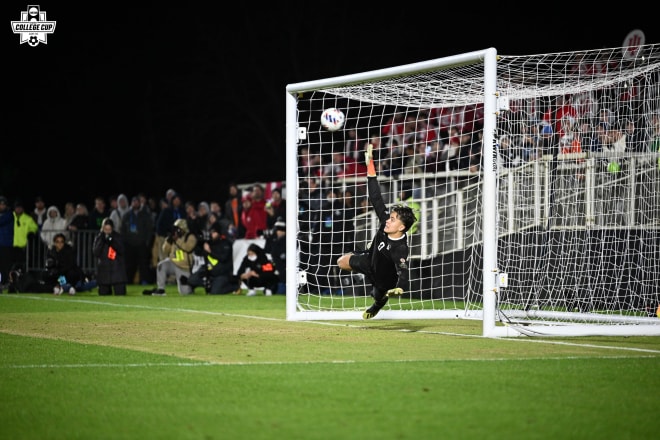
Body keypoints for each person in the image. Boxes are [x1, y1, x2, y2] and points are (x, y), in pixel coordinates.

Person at [337, 144, 417, 319]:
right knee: (341, 262)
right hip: (368, 260)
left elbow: (403, 271)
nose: (388, 220)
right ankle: (364, 265)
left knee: (378, 295)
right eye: (390, 217)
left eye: (393, 219)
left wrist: (400, 288)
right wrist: (370, 165)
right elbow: (375, 197)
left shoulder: (400, 248)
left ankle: (378, 304)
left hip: (383, 279)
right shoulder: (385, 221)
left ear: (401, 227)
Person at [143, 218, 197, 296]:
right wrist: (169, 240)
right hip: (173, 263)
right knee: (161, 265)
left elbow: (188, 248)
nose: (177, 231)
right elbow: (164, 250)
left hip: (184, 267)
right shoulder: (174, 236)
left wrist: (177, 240)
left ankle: (190, 286)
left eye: (178, 229)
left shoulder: (190, 236)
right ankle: (161, 289)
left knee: (185, 293)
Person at [187, 221, 238, 295]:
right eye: (211, 232)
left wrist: (210, 251)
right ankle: (209, 284)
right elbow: (198, 252)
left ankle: (235, 286)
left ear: (219, 233)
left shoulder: (226, 244)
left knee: (215, 292)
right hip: (209, 271)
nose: (212, 234)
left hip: (222, 273)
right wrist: (200, 243)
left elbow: (223, 258)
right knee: (192, 280)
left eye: (214, 232)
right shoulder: (209, 242)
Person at [121, 196, 154, 284]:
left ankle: (144, 280)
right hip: (129, 244)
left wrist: (147, 242)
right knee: (130, 265)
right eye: (134, 202)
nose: (135, 203)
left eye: (137, 202)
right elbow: (123, 230)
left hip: (141, 244)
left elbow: (149, 229)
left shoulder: (145, 215)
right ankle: (128, 280)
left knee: (143, 264)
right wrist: (125, 242)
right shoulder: (127, 215)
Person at [92, 218, 127, 296]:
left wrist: (112, 242)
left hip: (117, 272)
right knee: (103, 295)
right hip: (104, 271)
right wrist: (102, 240)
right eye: (105, 229)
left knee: (120, 295)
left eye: (109, 229)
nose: (107, 231)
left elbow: (121, 250)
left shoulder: (117, 237)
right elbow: (96, 252)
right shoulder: (99, 238)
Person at [12, 199, 39, 272]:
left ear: (23, 208)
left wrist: (31, 232)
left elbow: (34, 227)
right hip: (11, 245)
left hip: (23, 246)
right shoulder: (10, 217)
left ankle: (22, 279)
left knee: (22, 265)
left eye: (20, 207)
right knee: (11, 265)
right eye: (17, 207)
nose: (18, 209)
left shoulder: (28, 218)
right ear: (14, 208)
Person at [263, 219, 286, 293]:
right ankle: (268, 287)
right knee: (265, 269)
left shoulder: (287, 241)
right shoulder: (271, 240)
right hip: (273, 263)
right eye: (278, 230)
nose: (279, 232)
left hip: (282, 265)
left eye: (281, 231)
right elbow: (266, 251)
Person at [0, 196, 14, 290]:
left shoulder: (9, 214)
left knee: (4, 265)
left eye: (3, 204)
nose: (1, 206)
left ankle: (5, 282)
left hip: (5, 244)